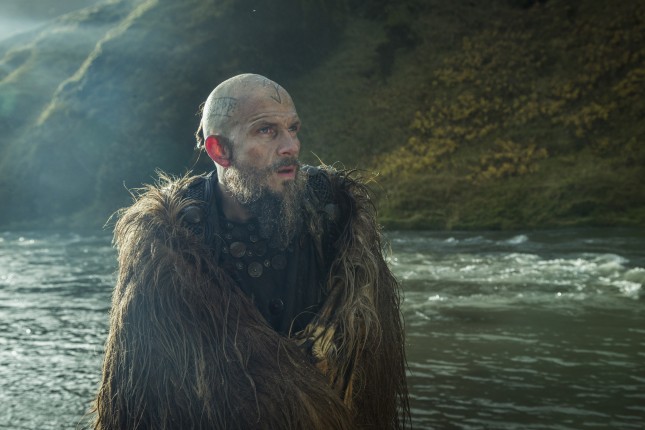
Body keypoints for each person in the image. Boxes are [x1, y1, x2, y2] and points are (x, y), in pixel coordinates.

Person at [93, 73, 409, 429]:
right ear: (220, 150)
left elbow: (367, 368)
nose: (291, 146)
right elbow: (144, 399)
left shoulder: (335, 214)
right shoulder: (171, 242)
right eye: (267, 131)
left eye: (293, 128)